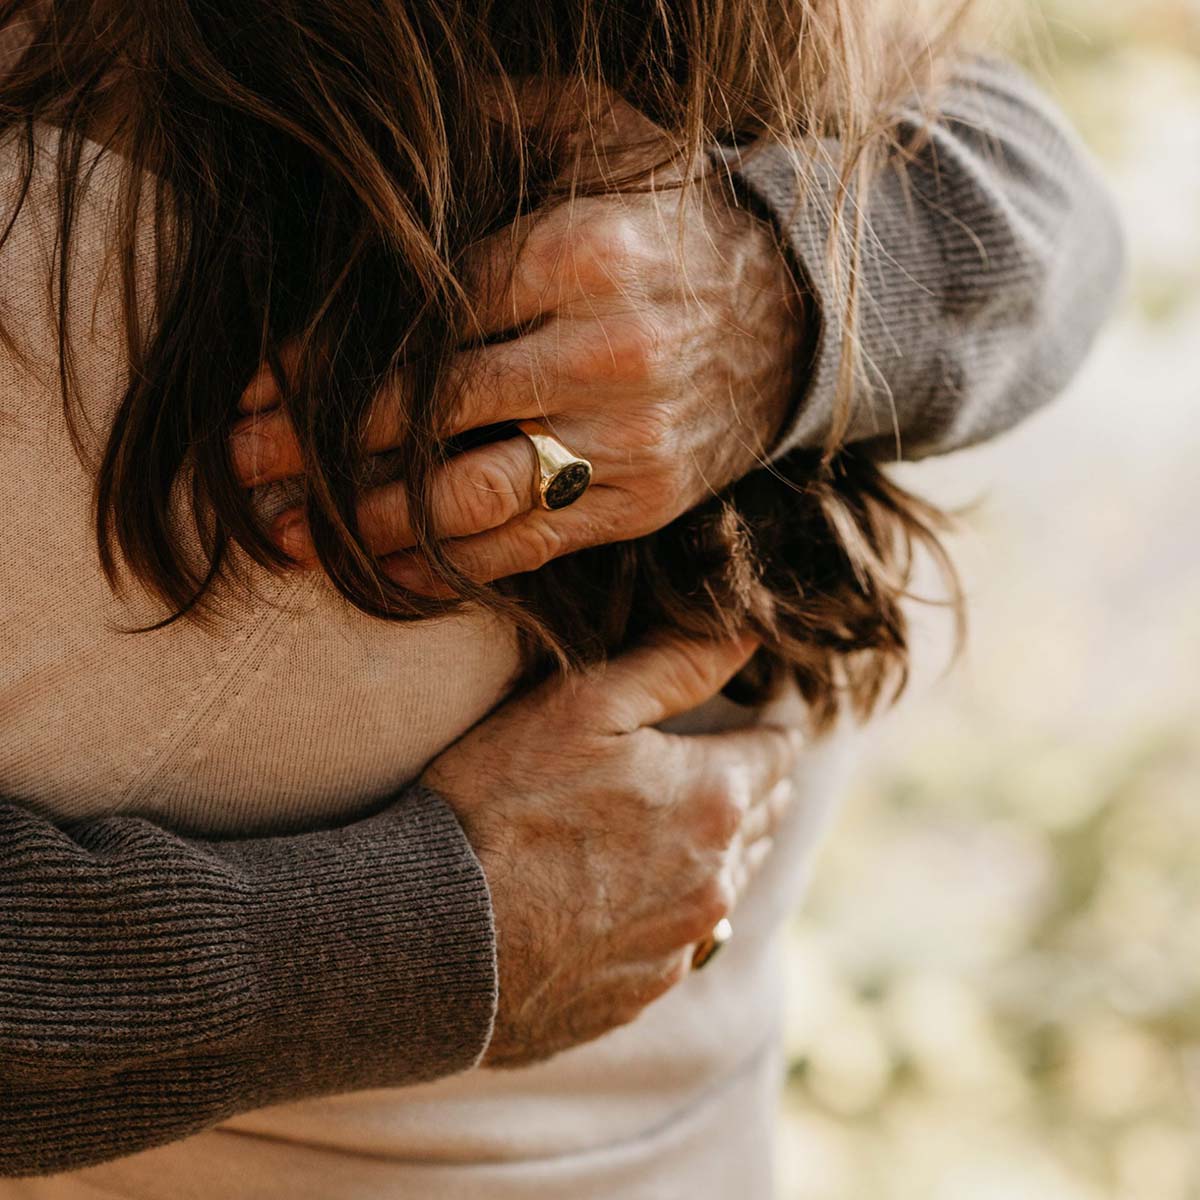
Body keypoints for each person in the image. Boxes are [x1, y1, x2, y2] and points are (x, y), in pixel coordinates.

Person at [0, 0, 1124, 1195]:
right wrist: (423, 936)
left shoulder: (89, 246)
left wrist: (790, 291)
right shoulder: (774, 101)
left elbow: (1052, 199)